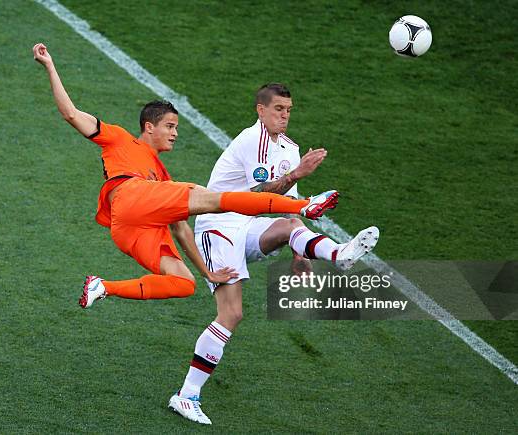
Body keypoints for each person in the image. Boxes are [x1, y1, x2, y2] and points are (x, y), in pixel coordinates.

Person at [32, 44, 339, 308]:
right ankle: (304, 206)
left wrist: (207, 273)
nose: (175, 133)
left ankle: (103, 286)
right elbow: (71, 113)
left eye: (176, 127)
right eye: (170, 126)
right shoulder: (120, 138)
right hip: (130, 195)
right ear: (149, 127)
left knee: (183, 283)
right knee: (214, 199)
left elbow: (181, 231)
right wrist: (50, 65)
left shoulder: (162, 178)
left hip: (128, 228)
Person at [168, 83, 379, 425]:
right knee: (232, 314)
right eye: (278, 109)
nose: (284, 115)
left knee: (287, 227)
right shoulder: (253, 140)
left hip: (244, 226)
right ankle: (186, 395)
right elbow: (259, 193)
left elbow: (286, 205)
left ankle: (339, 254)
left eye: (288, 110)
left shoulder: (289, 149)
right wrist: (297, 174)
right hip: (217, 227)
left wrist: (300, 253)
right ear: (260, 110)